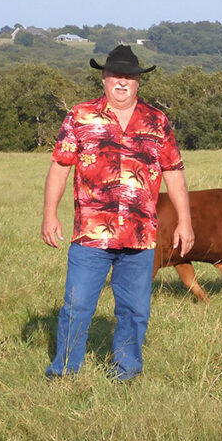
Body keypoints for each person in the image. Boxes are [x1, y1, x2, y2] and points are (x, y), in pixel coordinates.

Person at [41, 45, 194, 381]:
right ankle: (65, 371)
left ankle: (126, 372)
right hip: (91, 235)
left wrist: (185, 221)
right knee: (77, 307)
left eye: (129, 77)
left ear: (139, 82)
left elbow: (174, 171)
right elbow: (60, 166)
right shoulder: (80, 116)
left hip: (140, 237)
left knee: (135, 311)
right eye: (116, 76)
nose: (122, 83)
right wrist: (49, 214)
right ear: (104, 79)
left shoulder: (157, 121)